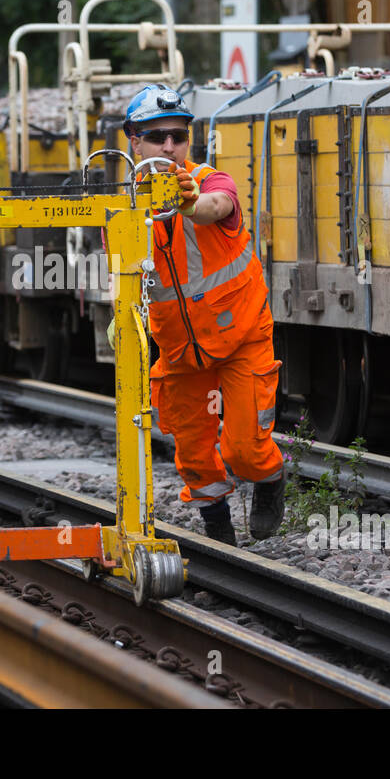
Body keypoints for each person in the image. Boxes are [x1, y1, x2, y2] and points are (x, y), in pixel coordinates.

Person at [115, 84, 286, 546]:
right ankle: (219, 534)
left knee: (245, 449)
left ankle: (270, 480)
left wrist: (188, 202)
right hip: (180, 349)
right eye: (156, 137)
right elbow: (123, 269)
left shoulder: (210, 181)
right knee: (193, 453)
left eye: (178, 136)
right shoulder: (125, 206)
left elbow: (218, 207)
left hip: (241, 337)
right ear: (134, 140)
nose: (169, 146)